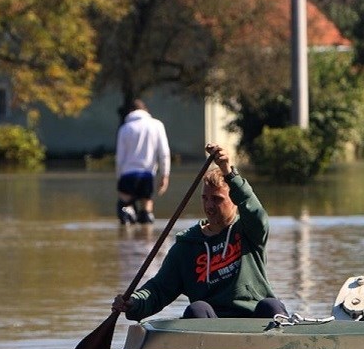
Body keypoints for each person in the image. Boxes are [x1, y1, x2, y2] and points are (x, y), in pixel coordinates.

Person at [112, 144, 288, 320]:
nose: (209, 206)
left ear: (235, 200)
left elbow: (256, 212)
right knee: (197, 309)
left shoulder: (250, 230)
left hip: (256, 321)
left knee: (271, 305)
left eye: (217, 199)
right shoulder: (186, 246)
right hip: (211, 327)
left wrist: (228, 171)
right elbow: (158, 290)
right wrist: (133, 302)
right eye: (205, 198)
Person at [115, 99, 171, 224]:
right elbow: (164, 153)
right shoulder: (157, 125)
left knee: (124, 208)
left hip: (127, 174)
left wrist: (119, 177)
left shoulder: (125, 128)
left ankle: (126, 237)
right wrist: (164, 175)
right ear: (145, 110)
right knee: (146, 210)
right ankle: (146, 239)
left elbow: (120, 157)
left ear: (130, 112)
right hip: (147, 174)